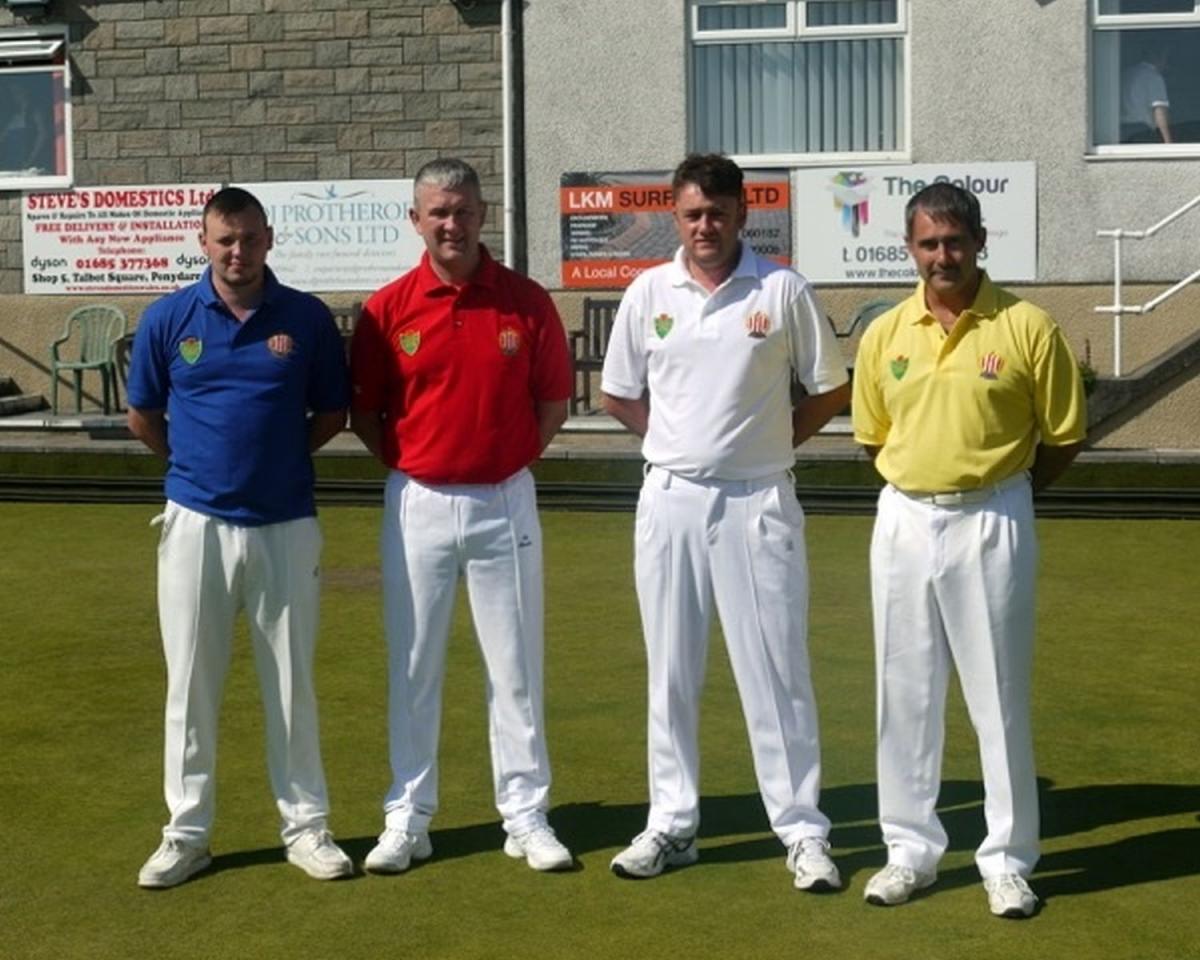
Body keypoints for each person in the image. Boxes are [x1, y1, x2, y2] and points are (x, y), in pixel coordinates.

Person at [600, 154, 850, 888]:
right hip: (671, 499)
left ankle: (803, 832)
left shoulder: (782, 288)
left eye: (717, 212)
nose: (705, 226)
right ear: (675, 219)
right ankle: (672, 826)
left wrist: (769, 443)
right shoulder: (649, 291)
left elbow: (829, 389)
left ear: (744, 214)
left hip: (759, 500)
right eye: (691, 214)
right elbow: (620, 394)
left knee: (777, 671)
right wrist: (675, 445)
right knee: (671, 669)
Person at [852, 183, 1086, 918]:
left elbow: (1064, 437)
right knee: (905, 697)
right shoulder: (884, 333)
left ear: (980, 241)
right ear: (909, 248)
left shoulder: (1027, 326)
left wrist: (1001, 490)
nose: (942, 256)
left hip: (992, 518)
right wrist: (925, 486)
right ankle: (909, 852)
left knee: (999, 699)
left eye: (954, 242)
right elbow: (872, 439)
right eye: (928, 243)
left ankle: (1007, 860)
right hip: (904, 521)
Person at [350, 158, 574, 874]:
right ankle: (408, 817)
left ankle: (525, 814)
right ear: (416, 220)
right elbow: (366, 412)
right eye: (437, 212)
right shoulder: (386, 309)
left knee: (514, 666)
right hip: (417, 499)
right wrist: (423, 462)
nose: (452, 224)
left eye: (464, 211)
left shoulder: (525, 301)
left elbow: (551, 404)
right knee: (414, 664)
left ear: (484, 216)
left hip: (504, 498)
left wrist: (500, 462)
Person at [127, 187, 354, 888]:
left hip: (285, 522)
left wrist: (271, 463)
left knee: (291, 684)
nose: (238, 251)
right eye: (225, 239)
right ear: (204, 242)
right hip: (195, 522)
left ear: (269, 239)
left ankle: (307, 828)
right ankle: (187, 833)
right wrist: (199, 471)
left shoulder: (306, 318)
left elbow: (332, 412)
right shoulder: (169, 318)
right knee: (190, 685)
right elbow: (144, 414)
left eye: (250, 238)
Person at [1121, 39, 1172, 144]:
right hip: (1140, 131)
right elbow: (1159, 111)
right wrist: (1168, 142)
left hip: (1120, 131)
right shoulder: (1153, 77)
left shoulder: (1125, 74)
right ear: (1158, 56)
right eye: (1166, 57)